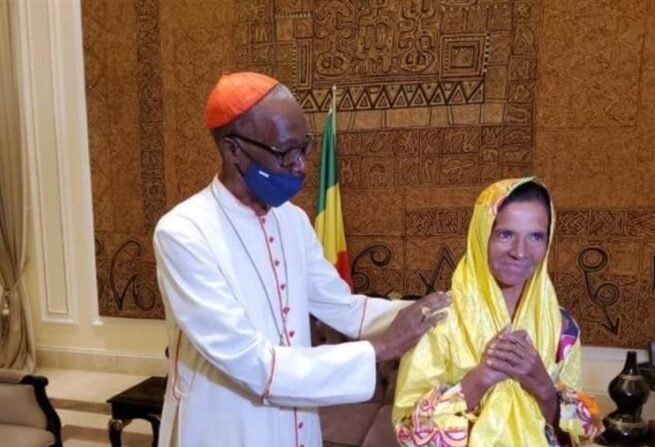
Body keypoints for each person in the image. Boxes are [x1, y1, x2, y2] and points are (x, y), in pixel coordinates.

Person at [153, 71, 451, 447]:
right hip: (229, 424)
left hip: (297, 421)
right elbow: (251, 361)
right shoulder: (183, 232)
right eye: (285, 151)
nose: (301, 167)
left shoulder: (291, 219)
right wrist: (382, 348)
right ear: (232, 149)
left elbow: (342, 307)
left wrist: (433, 311)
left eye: (304, 148)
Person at [392, 177, 603, 446]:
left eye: (535, 237)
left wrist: (542, 386)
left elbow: (578, 436)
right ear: (482, 235)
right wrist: (479, 379)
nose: (519, 252)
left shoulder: (562, 327)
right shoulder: (439, 320)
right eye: (505, 234)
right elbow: (407, 430)